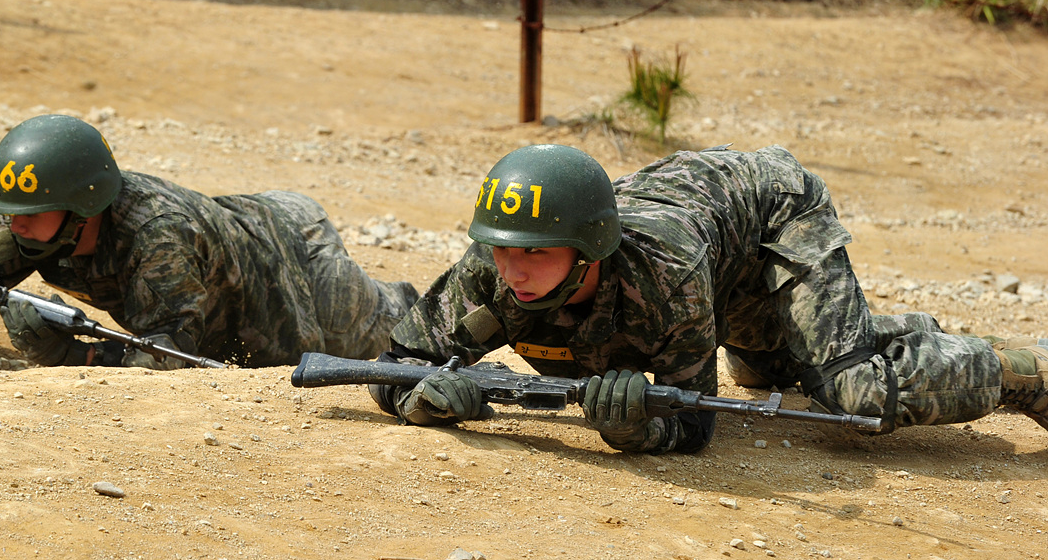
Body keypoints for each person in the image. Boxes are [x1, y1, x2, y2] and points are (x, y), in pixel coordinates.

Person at [370, 143, 1048, 454]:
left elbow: (695, 427)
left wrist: (638, 430)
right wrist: (420, 397)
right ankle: (832, 338)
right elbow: (395, 360)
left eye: (535, 253)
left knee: (853, 390)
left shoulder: (666, 277)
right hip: (717, 254)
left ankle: (1028, 368)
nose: (513, 269)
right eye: (502, 249)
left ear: (589, 248)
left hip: (769, 211)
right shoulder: (493, 263)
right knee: (767, 372)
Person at [0, 114, 418, 368]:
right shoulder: (27, 227)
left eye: (31, 213)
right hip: (229, 236)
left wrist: (70, 353)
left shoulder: (158, 241)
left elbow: (169, 360)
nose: (14, 225)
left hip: (292, 256)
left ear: (81, 209)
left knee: (393, 341)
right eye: (9, 212)